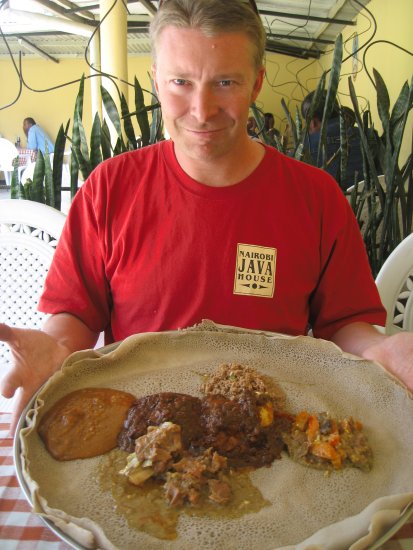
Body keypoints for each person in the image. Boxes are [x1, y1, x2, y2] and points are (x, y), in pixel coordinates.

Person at [1, 0, 412, 433]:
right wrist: (58, 347)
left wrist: (379, 353)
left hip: (272, 434)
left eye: (225, 82)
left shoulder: (316, 197)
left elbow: (345, 325)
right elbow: (78, 317)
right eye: (181, 81)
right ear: (156, 80)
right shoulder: (109, 188)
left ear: (256, 83)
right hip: (141, 433)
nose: (201, 109)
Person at [301, 91, 371, 191]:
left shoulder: (304, 150)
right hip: (377, 203)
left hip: (332, 205)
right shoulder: (371, 136)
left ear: (312, 122)